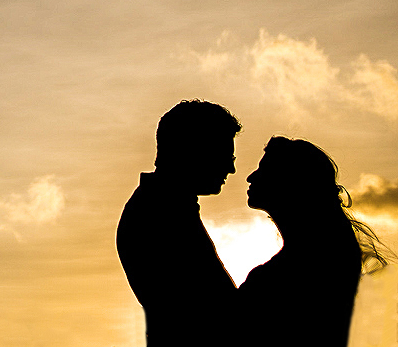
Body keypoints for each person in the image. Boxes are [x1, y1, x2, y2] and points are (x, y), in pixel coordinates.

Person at [238, 137, 384, 347]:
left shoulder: (308, 267)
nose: (250, 177)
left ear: (290, 183)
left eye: (264, 170)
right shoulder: (329, 258)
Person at [118, 100, 242, 346]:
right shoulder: (159, 215)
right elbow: (213, 308)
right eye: (224, 155)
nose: (231, 168)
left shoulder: (166, 208)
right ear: (194, 150)